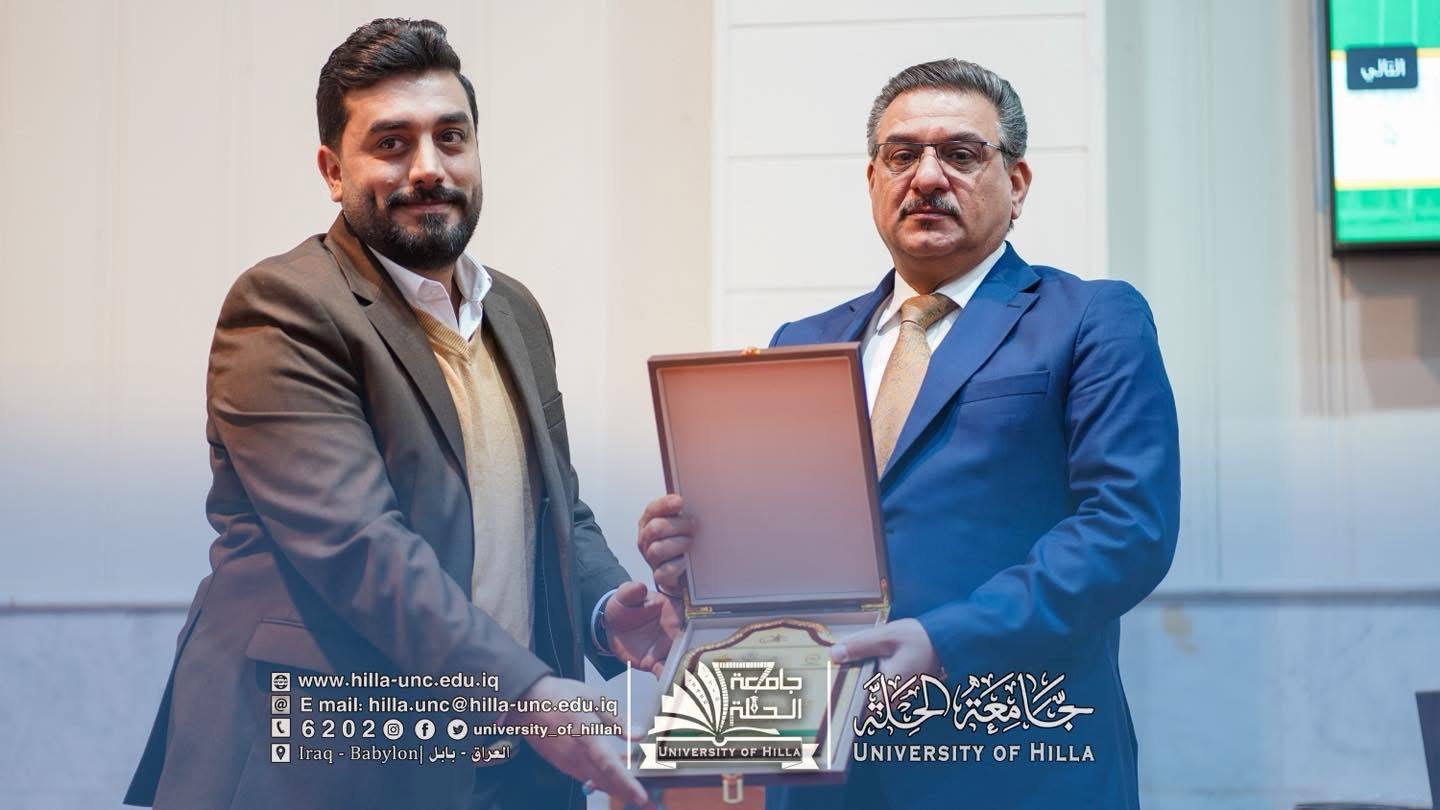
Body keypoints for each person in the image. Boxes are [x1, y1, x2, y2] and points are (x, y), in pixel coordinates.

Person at [124, 18, 667, 810]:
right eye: (391, 143)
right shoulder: (284, 308)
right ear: (332, 170)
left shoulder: (514, 311)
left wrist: (604, 608)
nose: (429, 168)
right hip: (332, 767)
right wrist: (524, 692)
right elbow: (359, 547)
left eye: (451, 137)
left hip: (512, 770)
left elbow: (553, 508)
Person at [636, 58, 1180, 809]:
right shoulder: (803, 342)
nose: (926, 177)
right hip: (824, 761)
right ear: (873, 181)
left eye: (960, 154)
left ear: (1017, 183)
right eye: (902, 155)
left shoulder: (1091, 318)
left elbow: (1127, 529)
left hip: (1014, 755)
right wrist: (700, 558)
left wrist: (946, 640)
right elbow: (782, 543)